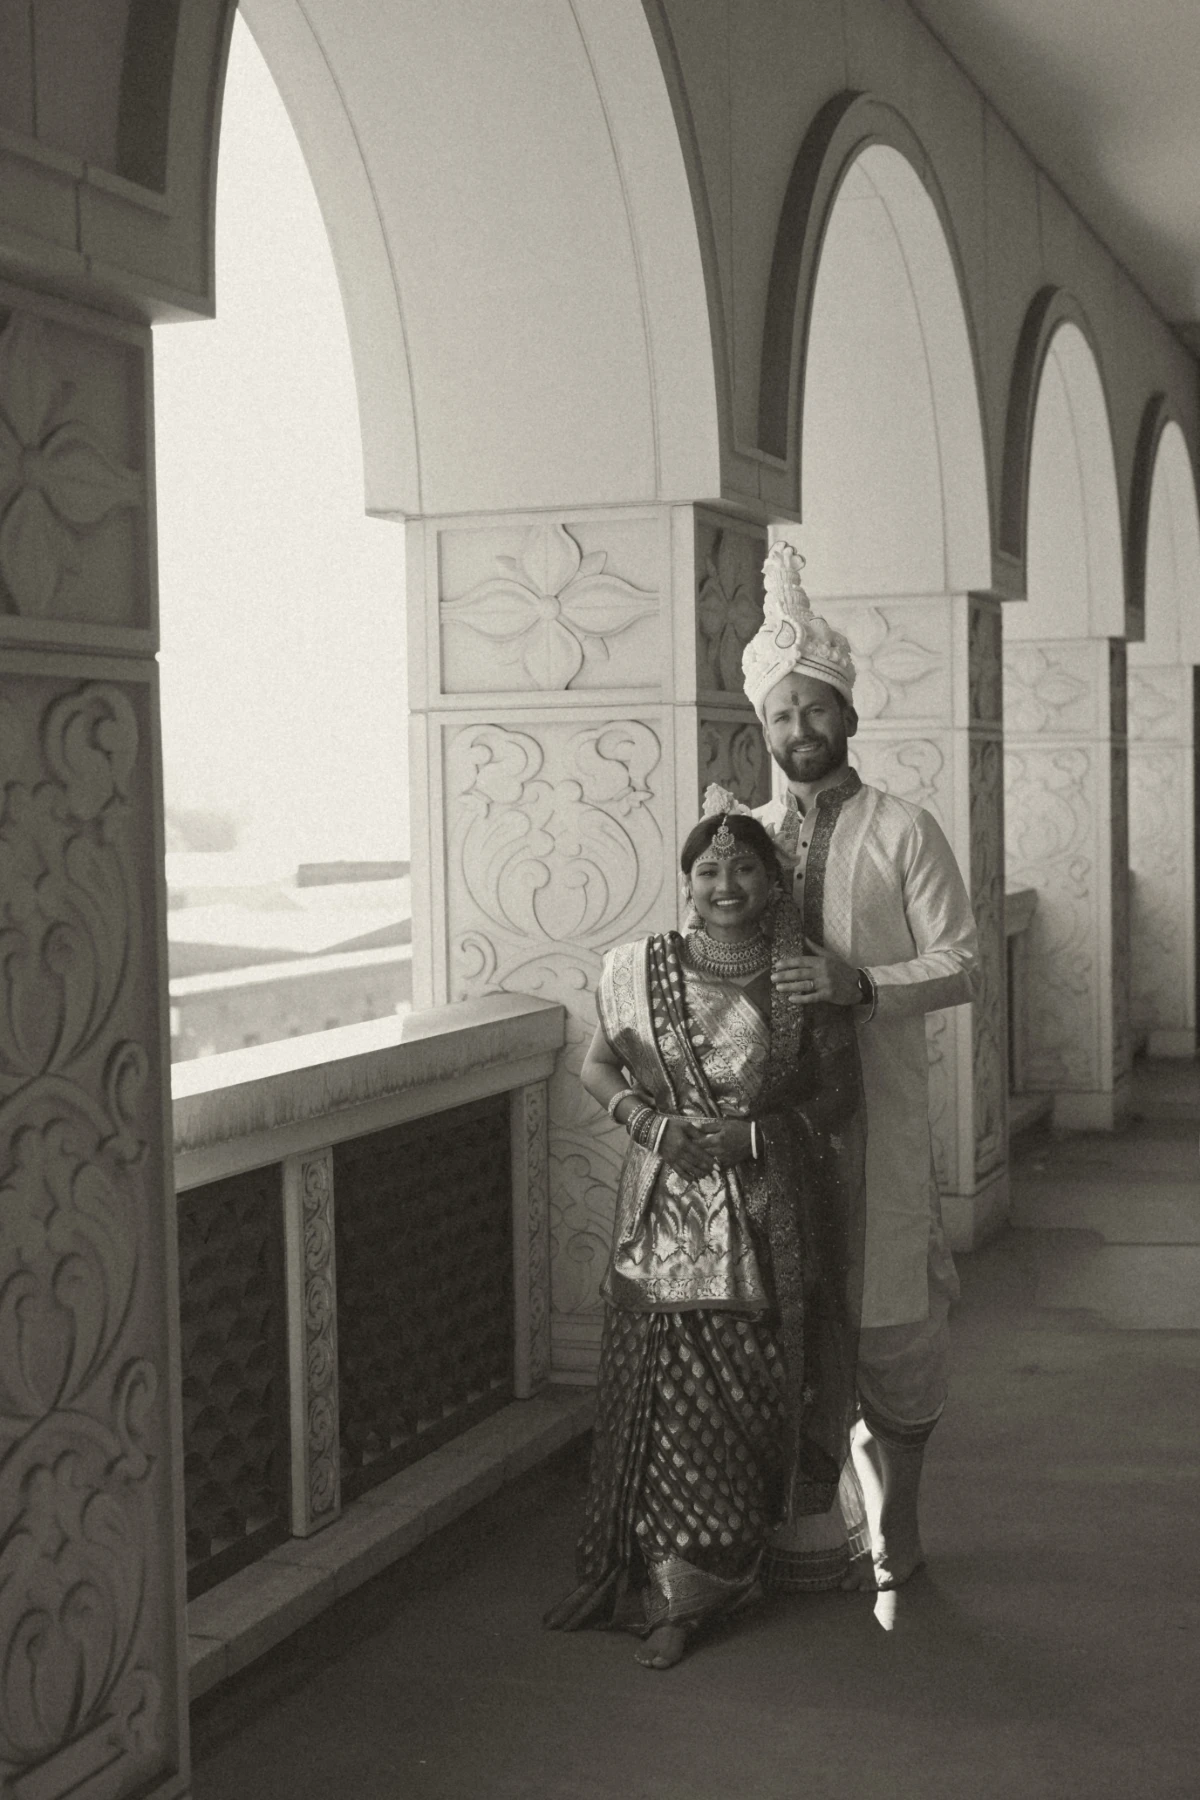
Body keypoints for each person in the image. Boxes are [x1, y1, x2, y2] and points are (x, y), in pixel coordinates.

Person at [544, 811, 865, 1669]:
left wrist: (756, 1138)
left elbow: (838, 1097)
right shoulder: (638, 970)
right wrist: (650, 1125)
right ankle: (665, 1592)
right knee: (662, 1405)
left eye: (745, 870)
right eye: (708, 873)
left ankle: (720, 1575)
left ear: (772, 882)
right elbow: (596, 1066)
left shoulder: (802, 979)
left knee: (747, 1403)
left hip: (765, 1217)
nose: (726, 887)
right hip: (663, 1215)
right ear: (687, 884)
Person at [721, 538, 980, 1596]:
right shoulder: (743, 839)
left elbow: (963, 961)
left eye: (814, 709)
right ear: (764, 727)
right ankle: (806, 1526)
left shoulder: (904, 830)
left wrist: (858, 984)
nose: (799, 729)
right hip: (774, 1133)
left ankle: (898, 1518)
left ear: (847, 715)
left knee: (895, 1329)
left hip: (883, 1122)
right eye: (781, 714)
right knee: (786, 1322)